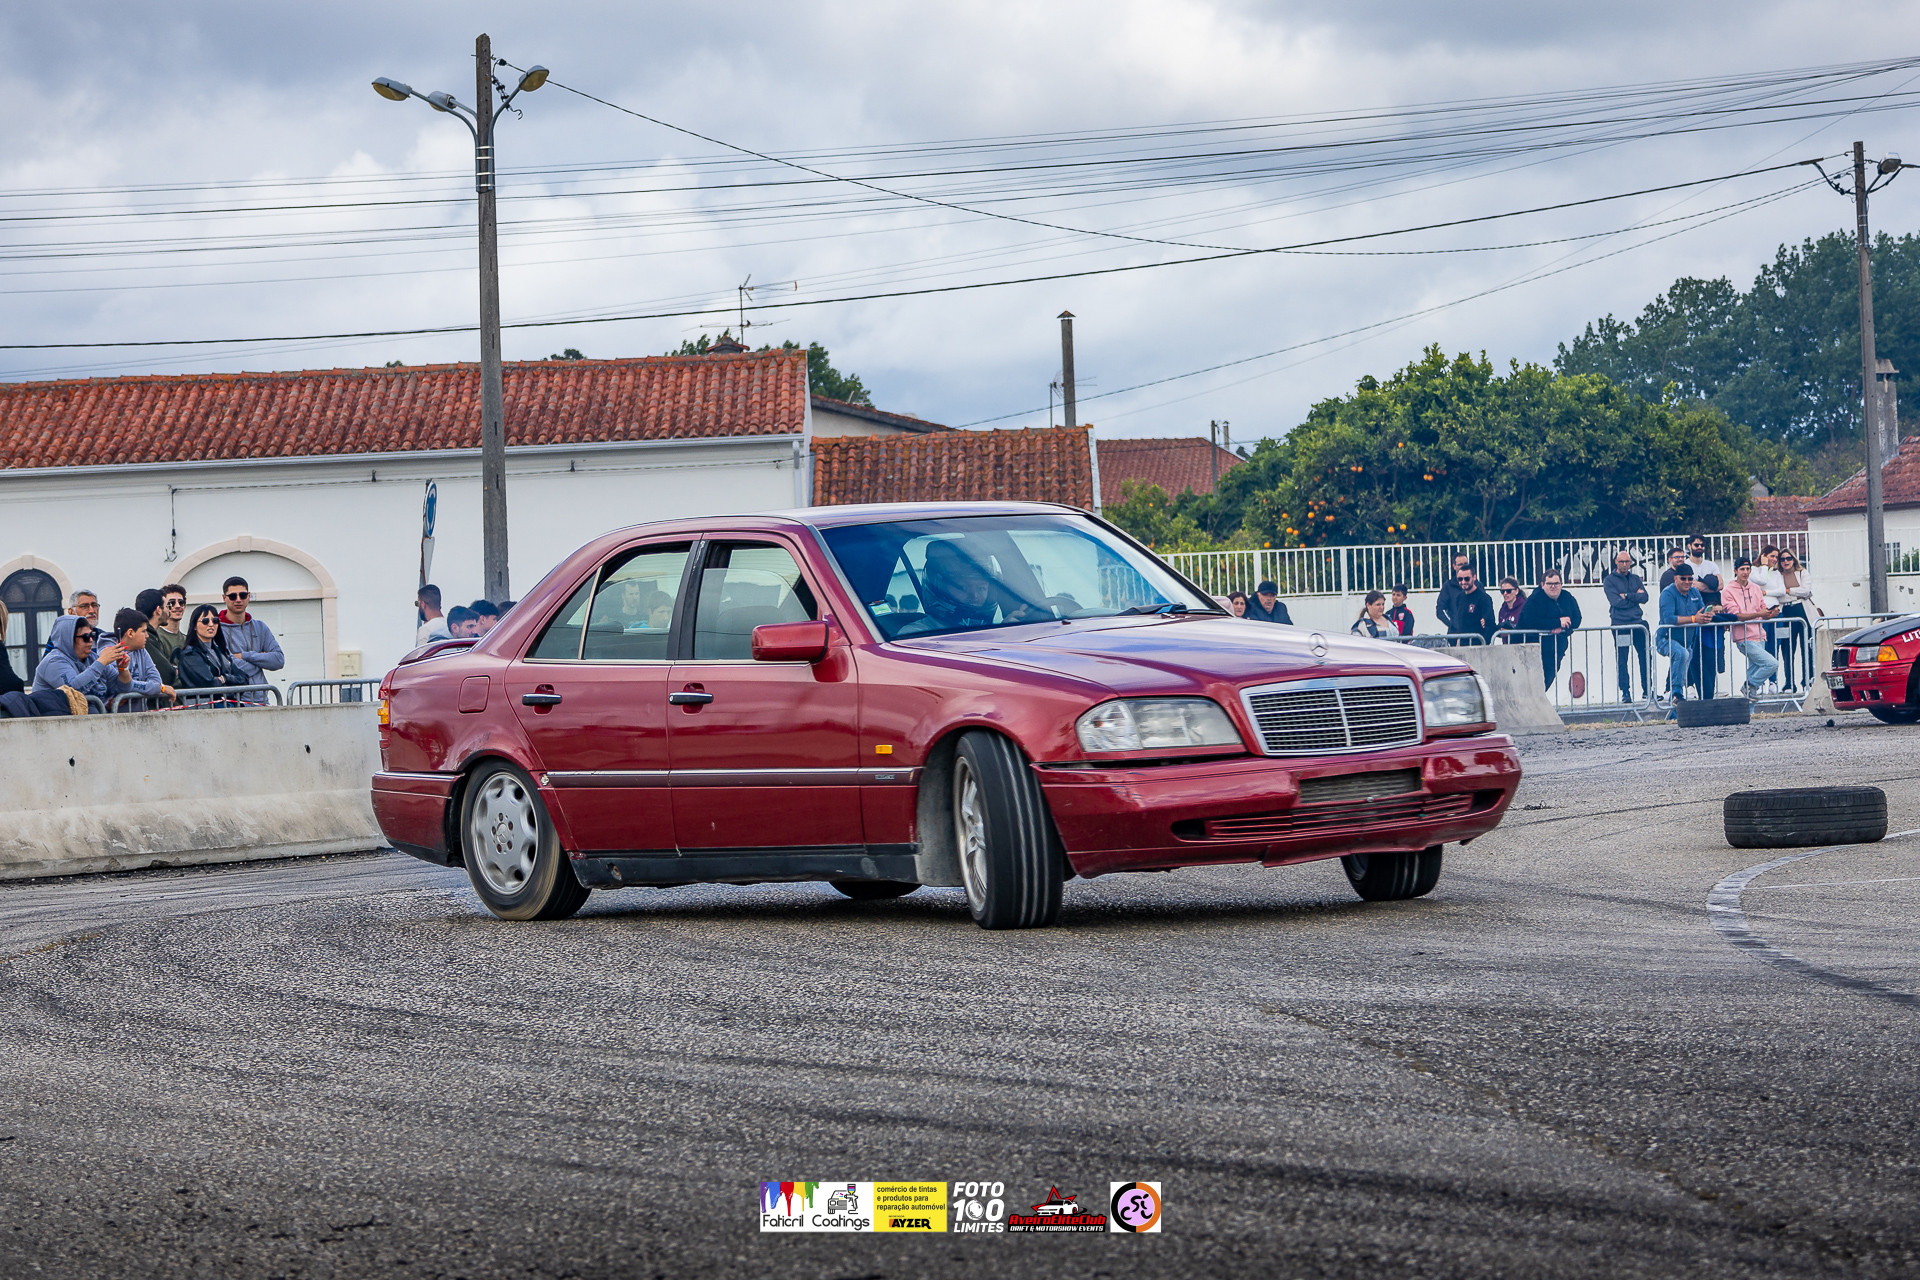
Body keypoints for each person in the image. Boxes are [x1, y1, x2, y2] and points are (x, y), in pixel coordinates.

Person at [32, 614, 130, 704]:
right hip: (53, 716)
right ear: (69, 639)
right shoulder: (53, 662)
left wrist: (123, 669)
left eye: (92, 635)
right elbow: (74, 690)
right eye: (86, 637)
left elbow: (121, 688)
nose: (91, 640)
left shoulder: (92, 658)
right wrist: (101, 662)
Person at [1719, 557, 1781, 698]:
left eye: (1748, 569)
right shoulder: (1728, 591)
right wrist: (1759, 614)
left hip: (1759, 635)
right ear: (1735, 571)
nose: (1745, 572)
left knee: (1753, 671)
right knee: (1772, 664)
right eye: (1742, 569)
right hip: (1744, 638)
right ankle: (1750, 685)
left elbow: (1763, 611)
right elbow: (1736, 616)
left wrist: (1771, 613)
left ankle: (1749, 704)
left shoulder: (1755, 588)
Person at [217, 577, 284, 703]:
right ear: (224, 598)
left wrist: (244, 656)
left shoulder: (260, 627)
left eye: (242, 595)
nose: (238, 600)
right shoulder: (216, 629)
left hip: (261, 700)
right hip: (232, 702)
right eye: (232, 596)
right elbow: (226, 665)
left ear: (248, 596)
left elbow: (278, 660)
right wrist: (261, 661)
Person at [1657, 565, 1716, 707]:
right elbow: (1668, 619)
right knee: (1681, 654)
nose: (1687, 582)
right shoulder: (1667, 593)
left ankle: (1675, 707)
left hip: (1687, 642)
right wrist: (1694, 619)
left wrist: (1708, 615)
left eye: (1690, 579)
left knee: (1683, 671)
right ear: (1675, 579)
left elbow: (1701, 611)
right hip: (1666, 639)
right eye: (1683, 578)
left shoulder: (1694, 592)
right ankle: (1676, 694)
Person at [1518, 569, 1582, 689]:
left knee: (1546, 680)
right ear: (1542, 585)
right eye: (1549, 584)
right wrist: (1556, 623)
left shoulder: (1567, 597)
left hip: (1556, 648)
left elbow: (1577, 619)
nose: (1553, 586)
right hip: (1534, 648)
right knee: (1533, 683)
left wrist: (1563, 627)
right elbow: (1529, 621)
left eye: (1556, 583)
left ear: (1561, 584)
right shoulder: (1535, 599)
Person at [1602, 549, 1650, 703]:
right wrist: (1635, 596)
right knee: (1622, 658)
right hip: (1620, 624)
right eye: (1621, 561)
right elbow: (1616, 602)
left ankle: (1647, 690)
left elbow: (1645, 597)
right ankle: (1625, 692)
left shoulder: (1635, 578)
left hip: (1638, 624)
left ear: (1630, 563)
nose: (1624, 564)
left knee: (1645, 656)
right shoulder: (1609, 580)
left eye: (1627, 561)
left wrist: (1628, 595)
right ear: (1616, 562)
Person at [177, 604, 248, 704]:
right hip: (204, 708)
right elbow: (208, 683)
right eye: (205, 621)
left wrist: (225, 678)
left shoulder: (221, 652)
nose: (211, 625)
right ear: (195, 626)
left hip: (227, 705)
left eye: (215, 620)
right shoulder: (190, 654)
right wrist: (228, 681)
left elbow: (244, 679)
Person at [109, 607, 174, 710]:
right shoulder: (110, 654)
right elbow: (122, 687)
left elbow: (156, 681)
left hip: (140, 715)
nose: (147, 636)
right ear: (130, 633)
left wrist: (158, 687)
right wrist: (159, 688)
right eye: (143, 631)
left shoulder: (141, 651)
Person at [1774, 550, 1816, 692]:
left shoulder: (1802, 573)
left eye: (1788, 558)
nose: (1786, 561)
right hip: (1785, 612)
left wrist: (1787, 591)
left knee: (1807, 648)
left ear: (1793, 559)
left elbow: (1806, 591)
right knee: (1787, 649)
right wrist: (1793, 592)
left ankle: (1808, 681)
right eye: (1782, 559)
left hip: (1803, 610)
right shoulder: (1777, 575)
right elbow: (1778, 595)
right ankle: (1789, 683)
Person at [136, 588, 183, 687]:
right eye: (167, 606)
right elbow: (166, 674)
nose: (169, 610)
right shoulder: (147, 639)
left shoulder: (153, 636)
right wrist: (174, 671)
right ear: (158, 610)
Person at [1448, 566, 1496, 643]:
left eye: (1467, 579)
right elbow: (1459, 623)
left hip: (1478, 645)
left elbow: (1490, 625)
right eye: (1460, 579)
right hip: (1462, 645)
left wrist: (1483, 645)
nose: (1463, 582)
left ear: (1474, 577)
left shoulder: (1484, 598)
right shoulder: (1459, 597)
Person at [1494, 576, 1525, 640]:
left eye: (1508, 591)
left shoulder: (1524, 607)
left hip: (1521, 644)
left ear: (1516, 591)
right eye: (1502, 591)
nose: (1505, 593)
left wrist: (1509, 632)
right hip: (1507, 645)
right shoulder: (1503, 609)